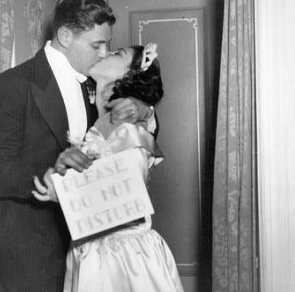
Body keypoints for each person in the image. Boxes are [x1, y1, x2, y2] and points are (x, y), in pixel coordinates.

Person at [0, 0, 154, 292]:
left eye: (106, 46)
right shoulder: (12, 86)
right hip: (28, 256)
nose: (103, 53)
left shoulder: (92, 87)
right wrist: (49, 175)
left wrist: (144, 109)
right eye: (96, 44)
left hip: (82, 250)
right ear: (65, 36)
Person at [33, 43, 185, 292]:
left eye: (117, 54)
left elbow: (125, 204)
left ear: (129, 76)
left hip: (121, 261)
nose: (105, 53)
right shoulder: (106, 121)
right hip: (97, 251)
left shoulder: (129, 124)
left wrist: (63, 195)